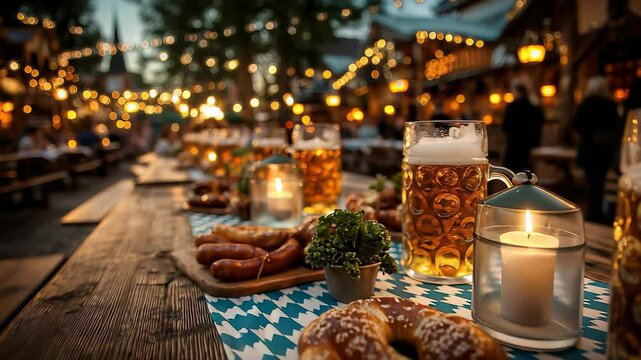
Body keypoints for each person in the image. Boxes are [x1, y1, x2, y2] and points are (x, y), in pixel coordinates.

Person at [573, 76, 622, 222]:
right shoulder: (610, 105)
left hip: (589, 150)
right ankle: (598, 211)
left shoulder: (586, 104)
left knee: (590, 181)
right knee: (599, 181)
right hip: (604, 151)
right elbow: (616, 127)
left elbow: (577, 125)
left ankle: (592, 212)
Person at [502, 82, 544, 172]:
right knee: (527, 175)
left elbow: (505, 127)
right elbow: (539, 125)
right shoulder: (533, 108)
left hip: (514, 146)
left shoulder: (511, 108)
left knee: (512, 175)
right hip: (528, 147)